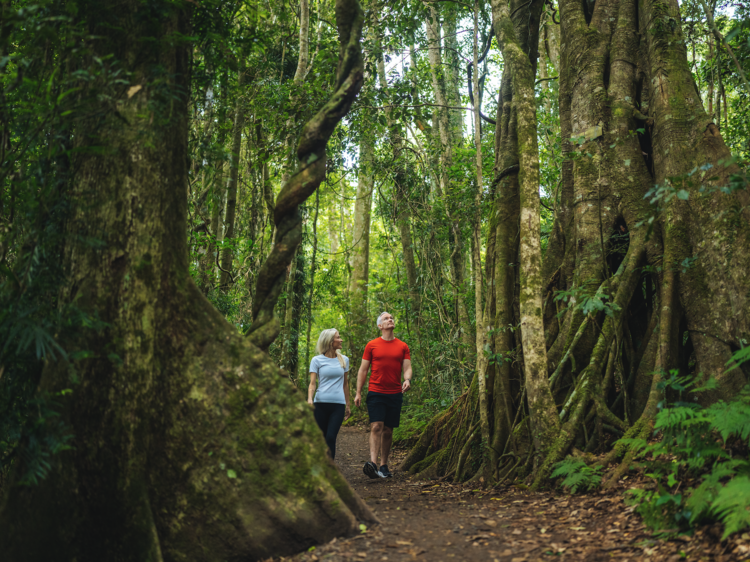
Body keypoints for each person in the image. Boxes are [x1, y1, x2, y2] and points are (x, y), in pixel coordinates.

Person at [354, 311, 412, 479]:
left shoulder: (402, 346)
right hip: (376, 392)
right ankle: (372, 464)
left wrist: (407, 379)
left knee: (388, 430)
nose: (390, 319)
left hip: (395, 392)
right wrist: (358, 392)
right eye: (386, 318)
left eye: (391, 317)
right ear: (380, 326)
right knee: (376, 426)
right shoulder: (371, 345)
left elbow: (407, 367)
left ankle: (384, 465)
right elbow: (363, 370)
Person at [308, 329, 351, 460]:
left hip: (338, 406)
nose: (341, 340)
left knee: (331, 437)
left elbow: (345, 384)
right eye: (338, 338)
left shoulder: (344, 360)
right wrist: (309, 399)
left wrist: (348, 405)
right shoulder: (316, 360)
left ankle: (330, 473)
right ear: (330, 341)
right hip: (320, 404)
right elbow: (312, 383)